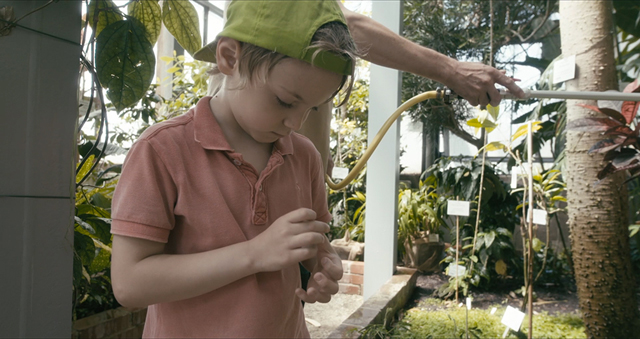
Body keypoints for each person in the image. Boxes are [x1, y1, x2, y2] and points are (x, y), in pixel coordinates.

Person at [110, 1, 359, 338]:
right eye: (285, 101)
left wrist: (321, 264)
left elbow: (313, 242)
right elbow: (129, 283)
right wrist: (254, 254)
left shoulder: (305, 157)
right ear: (229, 57)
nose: (294, 123)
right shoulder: (161, 151)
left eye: (312, 108)